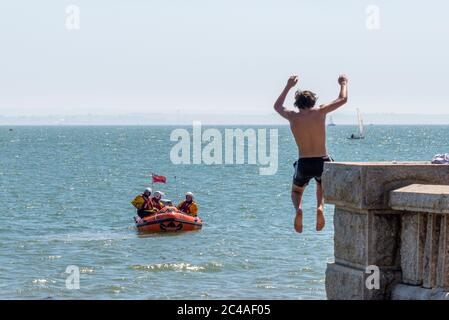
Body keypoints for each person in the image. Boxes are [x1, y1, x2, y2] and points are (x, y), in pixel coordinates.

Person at [274, 74, 348, 233]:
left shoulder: (292, 116)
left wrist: (288, 86)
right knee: (321, 183)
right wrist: (343, 83)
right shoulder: (320, 111)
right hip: (323, 161)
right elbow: (343, 99)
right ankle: (320, 207)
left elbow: (277, 106)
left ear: (297, 103)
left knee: (296, 190)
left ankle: (298, 209)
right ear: (313, 101)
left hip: (304, 162)